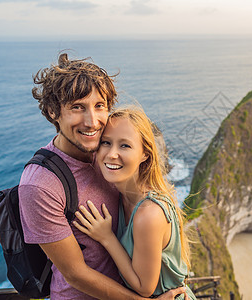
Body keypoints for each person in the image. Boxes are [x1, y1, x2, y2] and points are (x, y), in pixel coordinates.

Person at [18, 53, 186, 299]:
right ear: (54, 111)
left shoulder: (106, 153)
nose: (92, 121)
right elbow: (75, 273)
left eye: (99, 106)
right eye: (77, 107)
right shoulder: (41, 184)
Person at [73, 106, 196, 300]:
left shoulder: (149, 214)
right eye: (106, 142)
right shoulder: (121, 196)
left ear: (145, 154)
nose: (112, 154)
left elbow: (144, 288)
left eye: (125, 146)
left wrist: (107, 238)